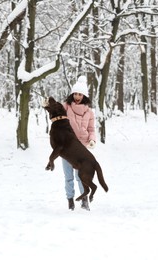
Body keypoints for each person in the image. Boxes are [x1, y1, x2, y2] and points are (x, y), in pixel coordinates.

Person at [62, 76, 96, 211]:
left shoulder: (89, 112)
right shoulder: (66, 107)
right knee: (68, 176)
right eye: (75, 94)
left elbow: (91, 129)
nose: (77, 96)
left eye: (80, 94)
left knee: (81, 176)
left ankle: (84, 200)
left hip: (81, 149)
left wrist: (92, 139)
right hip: (66, 148)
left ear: (84, 96)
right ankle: (70, 201)